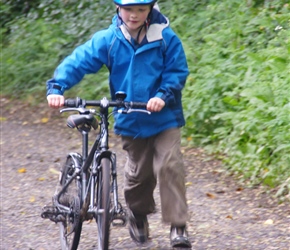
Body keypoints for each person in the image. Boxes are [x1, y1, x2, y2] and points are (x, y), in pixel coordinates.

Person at [46, 0, 191, 248]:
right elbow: (80, 60)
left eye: (141, 10)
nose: (133, 15)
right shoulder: (110, 38)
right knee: (139, 175)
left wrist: (162, 95)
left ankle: (178, 226)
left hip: (164, 116)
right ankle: (138, 213)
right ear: (117, 9)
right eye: (128, 9)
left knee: (170, 165)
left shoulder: (165, 37)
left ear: (150, 10)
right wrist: (57, 87)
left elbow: (177, 70)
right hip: (130, 118)